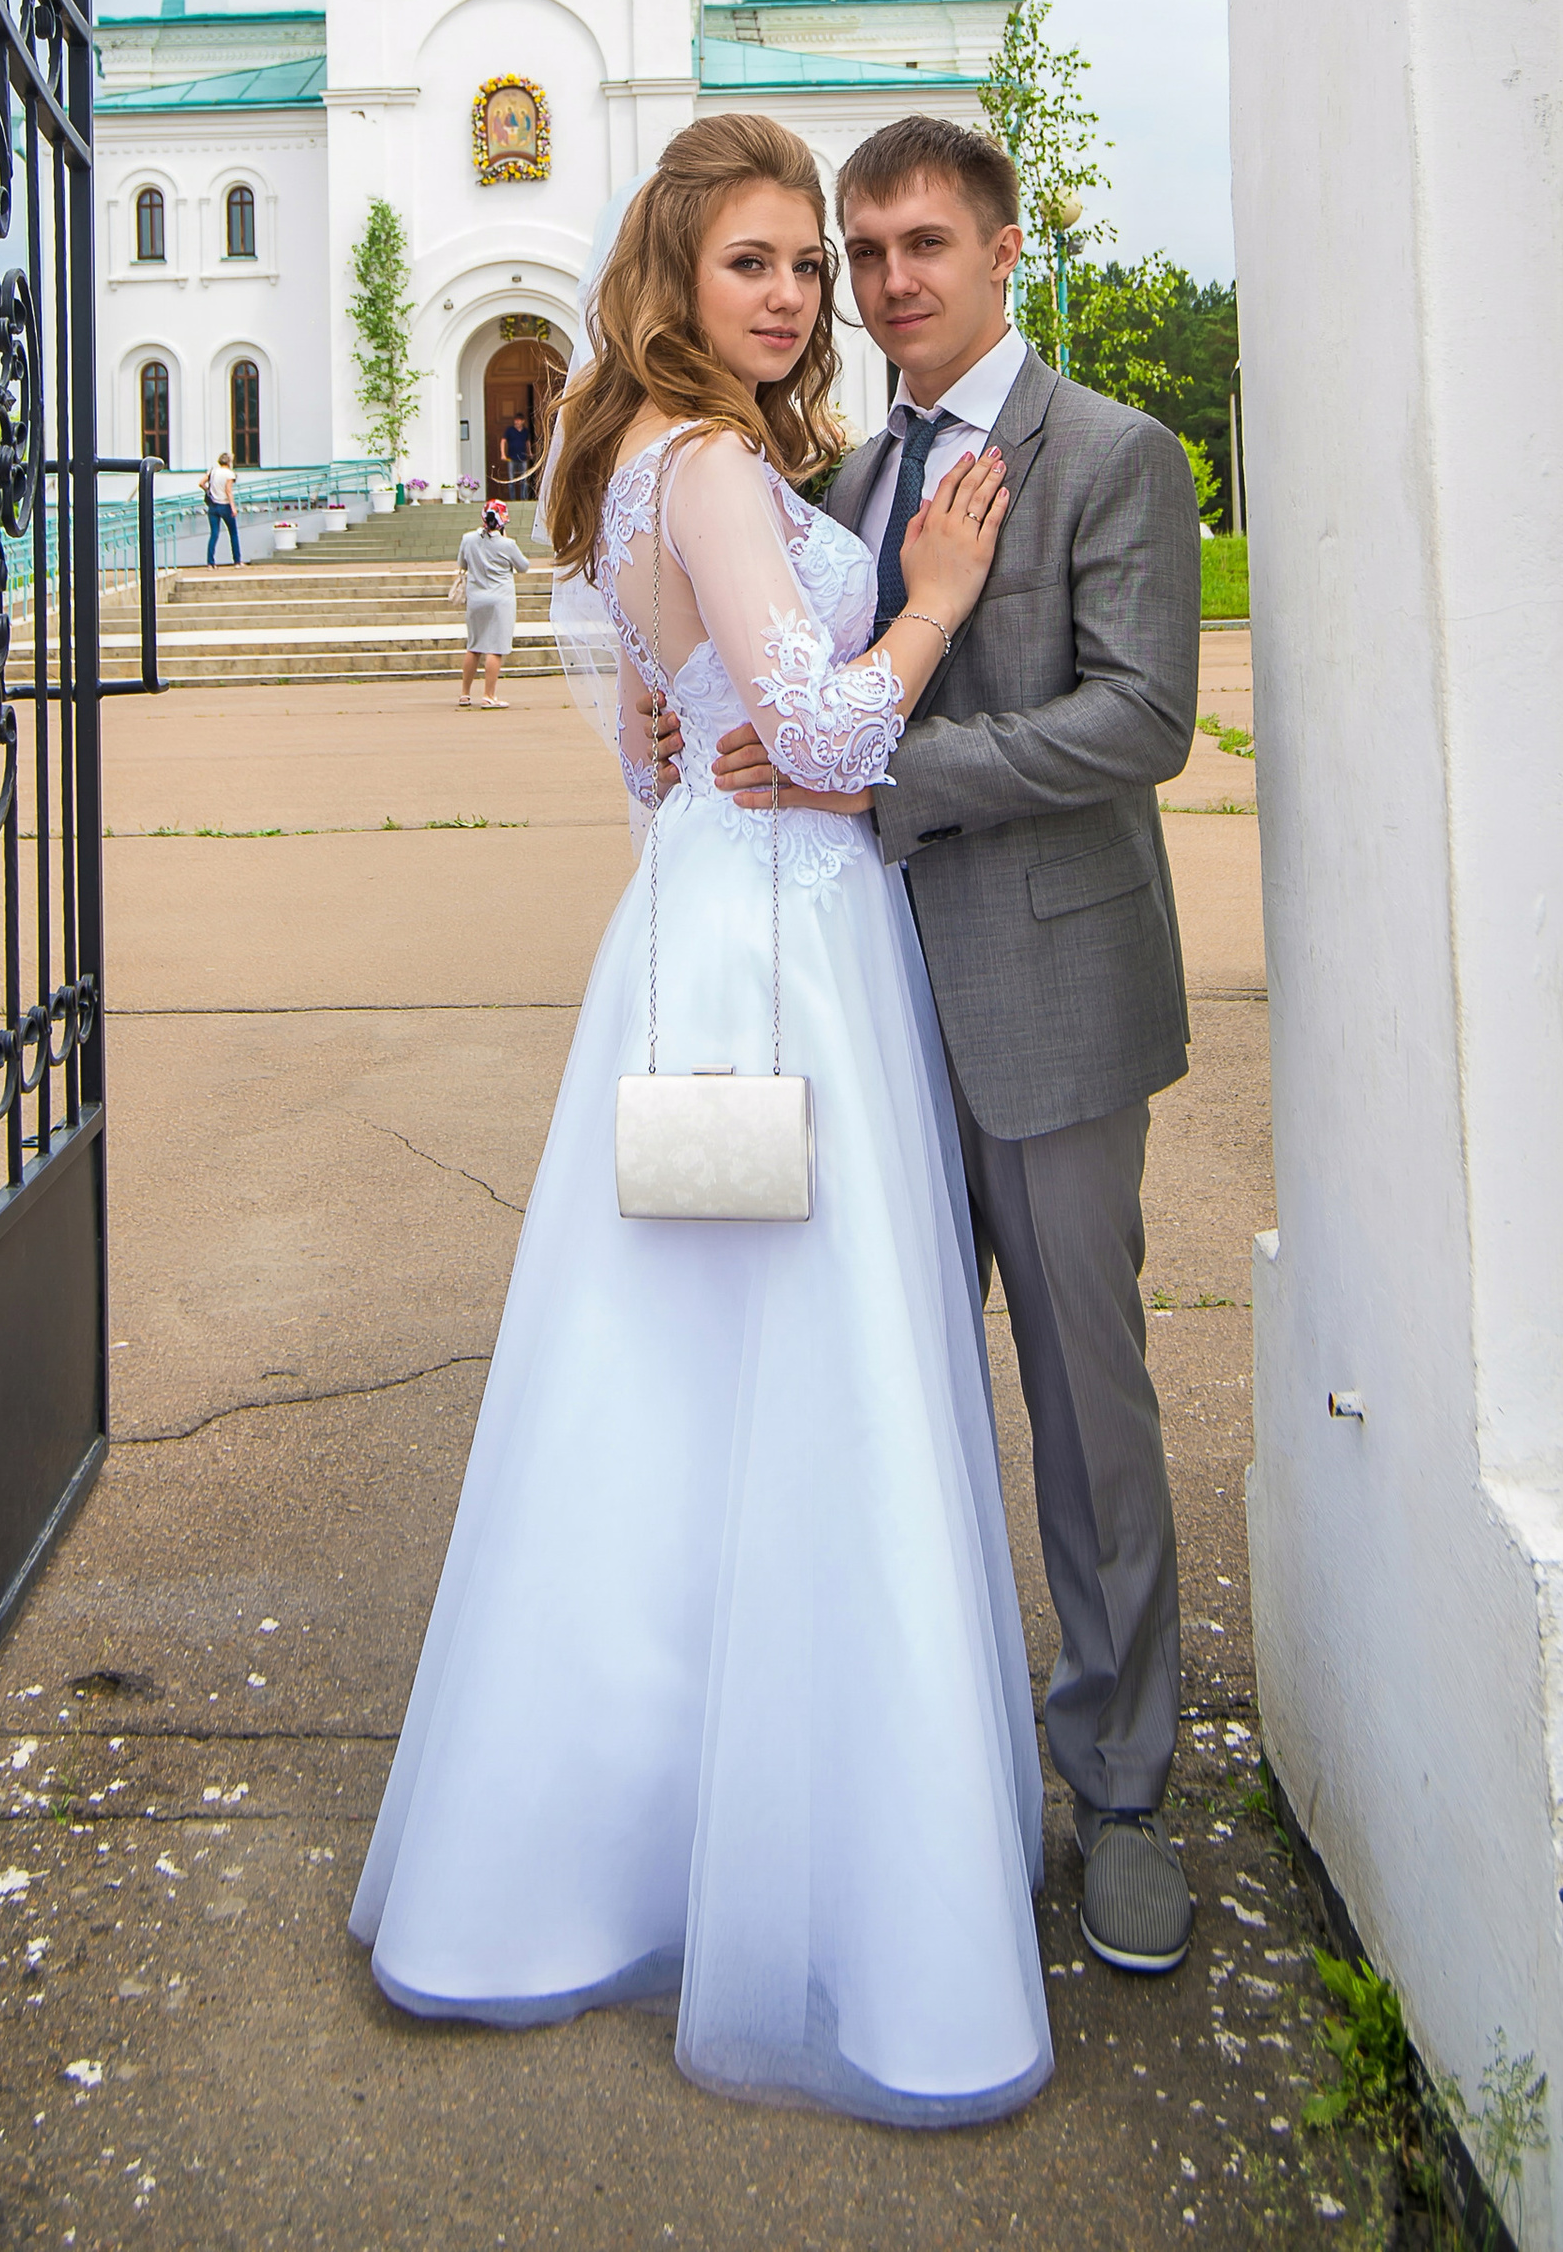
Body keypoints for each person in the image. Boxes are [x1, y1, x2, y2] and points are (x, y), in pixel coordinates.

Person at [351, 113, 1051, 2128]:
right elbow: (819, 730)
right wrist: (929, 599)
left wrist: (688, 726)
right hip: (785, 936)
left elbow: (658, 748)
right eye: (756, 261)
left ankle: (597, 1843)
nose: (798, 295)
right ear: (674, 275)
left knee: (660, 1376)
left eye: (809, 266)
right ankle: (811, 1842)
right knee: (804, 1370)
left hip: (700, 910)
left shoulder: (631, 468)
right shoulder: (721, 466)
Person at [692, 114, 1200, 1980]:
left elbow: (1141, 719)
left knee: (1088, 1411)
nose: (889, 281)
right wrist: (696, 727)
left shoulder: (1111, 454)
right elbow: (792, 686)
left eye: (925, 244)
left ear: (1001, 250)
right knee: (881, 1401)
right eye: (864, 251)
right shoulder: (831, 473)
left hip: (1051, 1010)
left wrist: (882, 773)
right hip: (871, 1008)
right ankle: (917, 1771)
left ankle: (1123, 1792)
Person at [452, 496, 529, 707]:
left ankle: (465, 693)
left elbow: (462, 563)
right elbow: (523, 566)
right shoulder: (507, 544)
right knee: (495, 648)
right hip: (501, 599)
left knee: (474, 646)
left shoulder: (468, 539)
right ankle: (489, 695)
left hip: (476, 598)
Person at [202, 449, 241, 567]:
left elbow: (201, 483)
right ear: (229, 462)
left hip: (213, 505)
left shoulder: (212, 471)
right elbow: (228, 491)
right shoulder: (229, 474)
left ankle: (210, 562)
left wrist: (209, 491)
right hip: (225, 505)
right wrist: (233, 507)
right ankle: (237, 561)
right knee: (233, 533)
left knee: (214, 534)